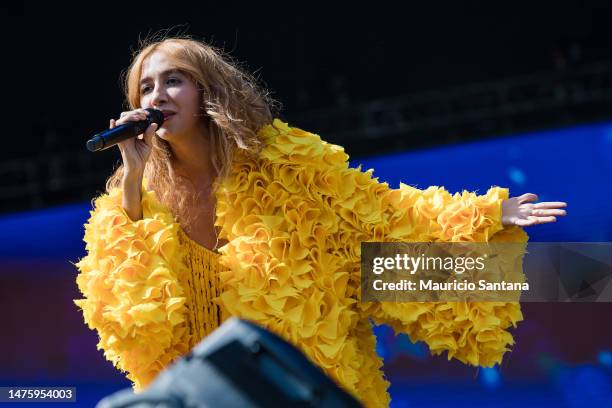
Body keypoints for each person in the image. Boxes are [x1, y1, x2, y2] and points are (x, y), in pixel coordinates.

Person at [74, 36, 568, 408]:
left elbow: (375, 213)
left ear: (206, 91)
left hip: (302, 387)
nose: (157, 95)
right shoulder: (132, 201)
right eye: (146, 87)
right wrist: (135, 177)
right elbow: (133, 325)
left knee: (557, 273)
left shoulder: (285, 162)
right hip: (211, 397)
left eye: (172, 80)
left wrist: (482, 212)